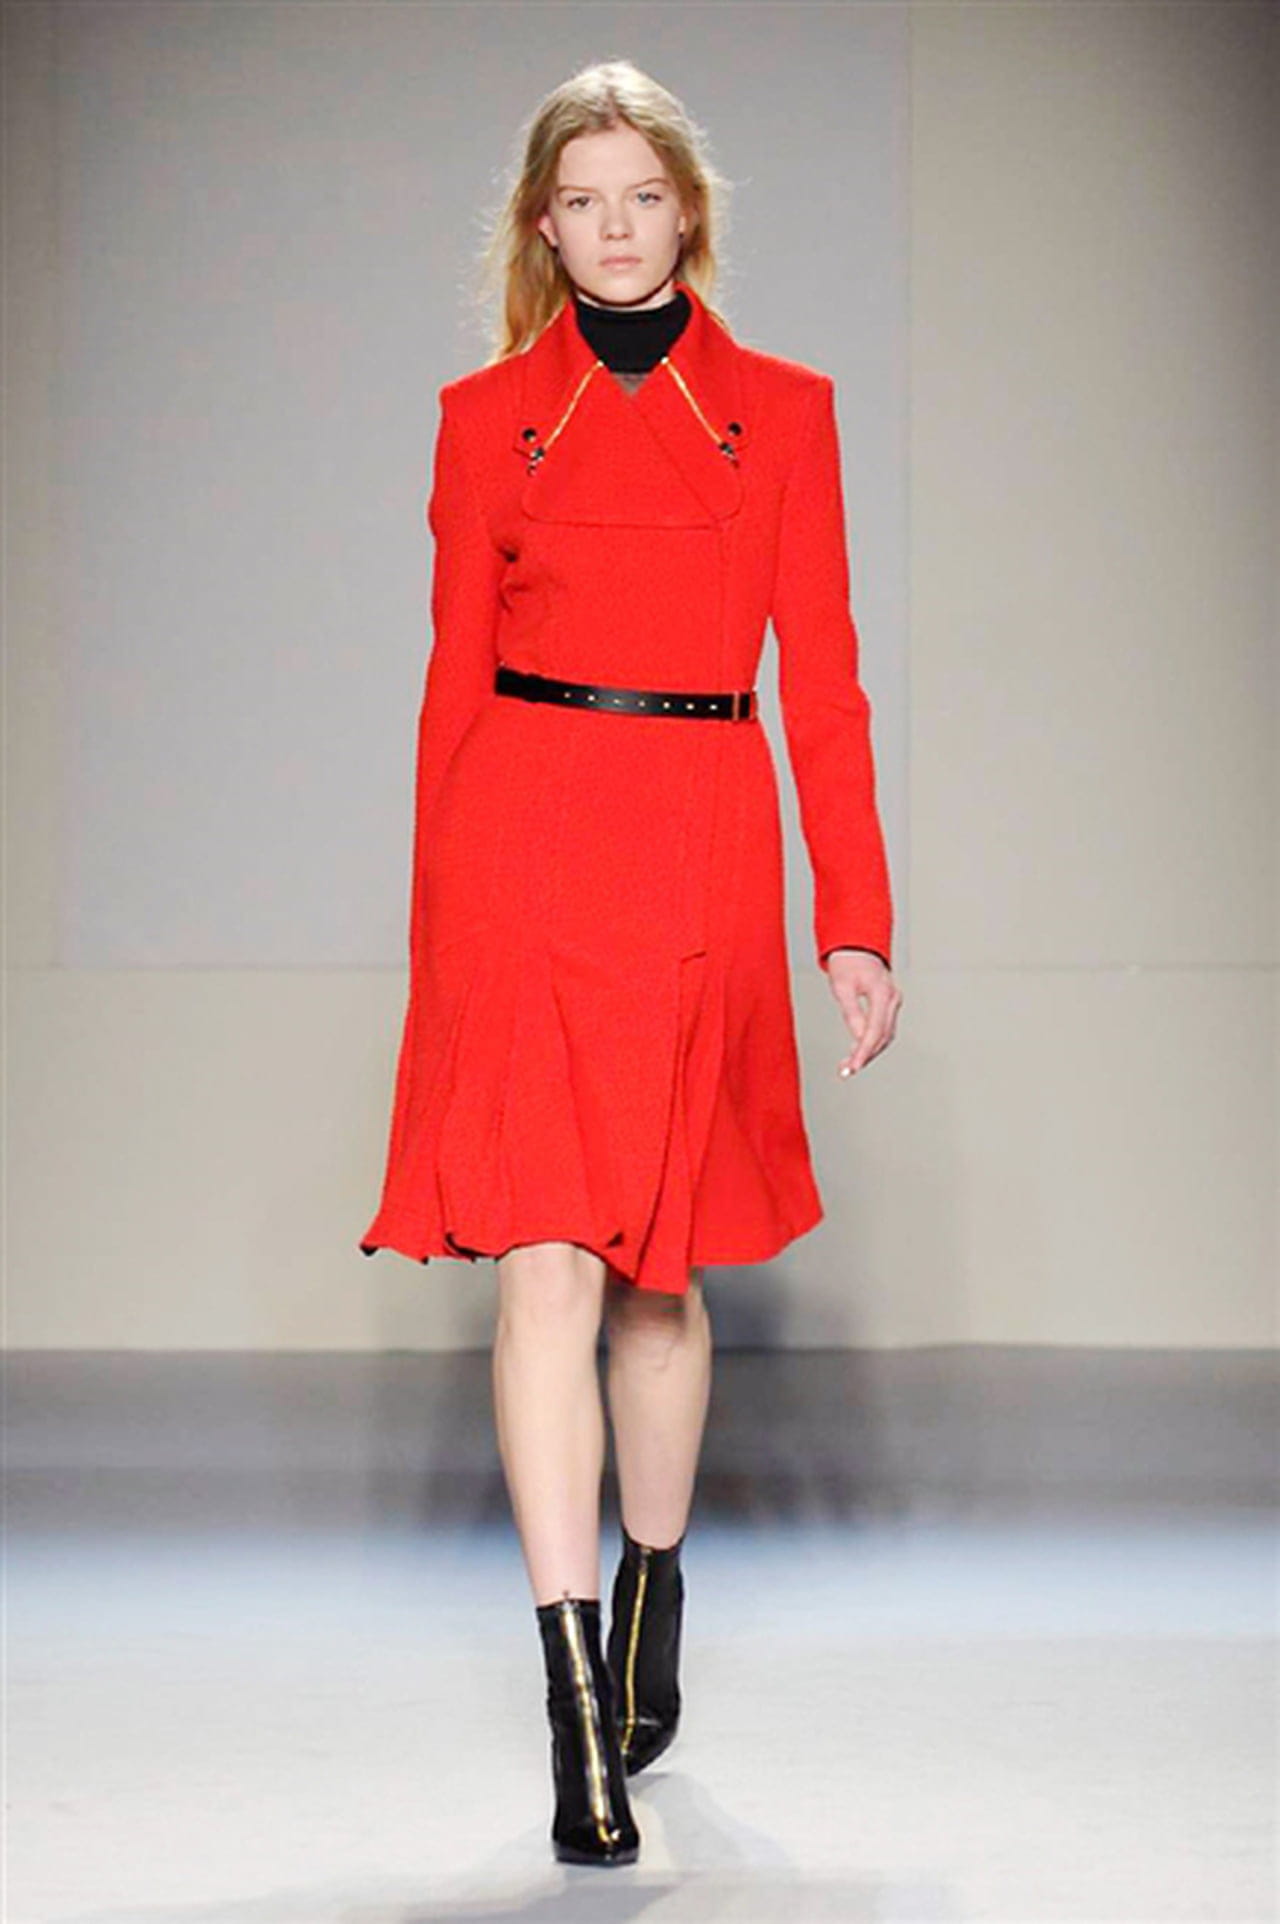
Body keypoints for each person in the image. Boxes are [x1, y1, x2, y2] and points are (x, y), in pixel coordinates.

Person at [358, 58, 903, 1867]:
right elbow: (449, 688)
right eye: (581, 202)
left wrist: (853, 919)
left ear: (689, 213)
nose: (613, 229)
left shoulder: (787, 415)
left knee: (660, 1288)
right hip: (524, 846)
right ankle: (576, 1698)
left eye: (642, 197)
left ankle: (657, 1579)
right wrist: (440, 947)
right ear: (544, 225)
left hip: (697, 840)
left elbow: (825, 680)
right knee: (546, 1269)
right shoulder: (481, 424)